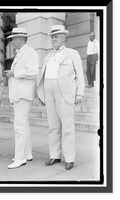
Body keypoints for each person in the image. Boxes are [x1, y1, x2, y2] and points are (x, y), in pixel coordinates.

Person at [37, 25, 85, 170]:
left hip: (65, 93)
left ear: (64, 38)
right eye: (52, 37)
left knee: (68, 127)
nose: (53, 39)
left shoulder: (72, 53)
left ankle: (69, 158)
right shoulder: (48, 56)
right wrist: (42, 95)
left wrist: (79, 93)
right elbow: (44, 77)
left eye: (56, 36)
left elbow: (79, 75)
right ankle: (55, 156)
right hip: (49, 93)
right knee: (53, 127)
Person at [5, 27, 39, 169]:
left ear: (21, 39)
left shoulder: (29, 52)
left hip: (23, 94)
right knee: (23, 124)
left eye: (13, 39)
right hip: (19, 94)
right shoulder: (21, 53)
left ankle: (20, 158)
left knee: (19, 125)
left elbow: (33, 71)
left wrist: (14, 73)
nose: (12, 41)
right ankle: (27, 153)